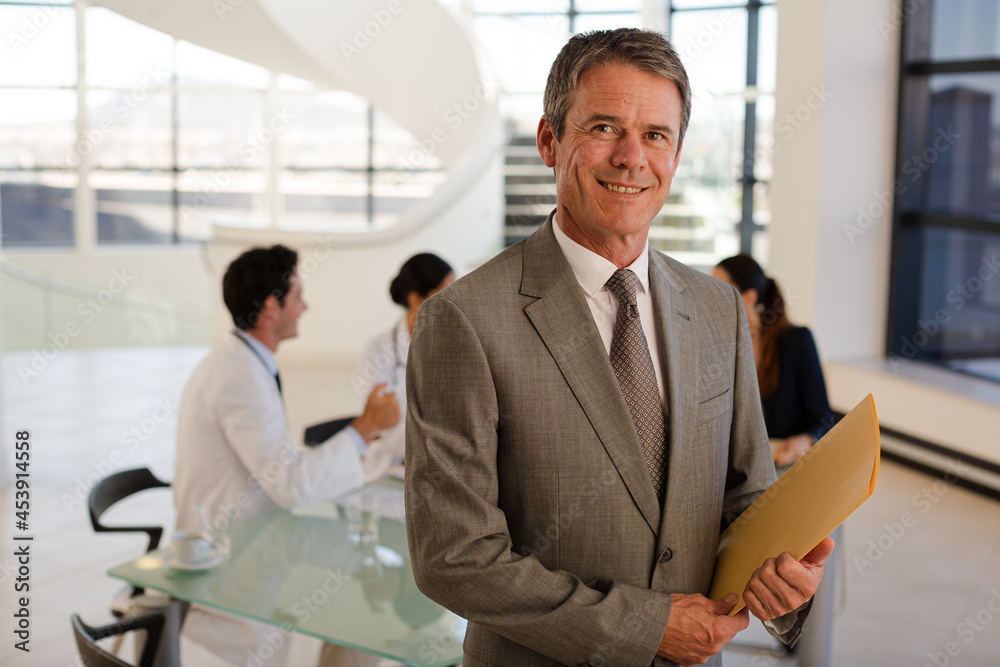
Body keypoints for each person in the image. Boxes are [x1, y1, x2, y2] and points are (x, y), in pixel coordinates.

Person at [404, 28, 832, 667]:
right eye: (604, 127)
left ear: (677, 153)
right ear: (550, 142)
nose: (633, 158)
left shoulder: (717, 310)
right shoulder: (463, 321)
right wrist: (647, 628)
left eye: (656, 135)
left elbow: (745, 496)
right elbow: (453, 557)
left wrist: (781, 580)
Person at [174, 244, 399, 667]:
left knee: (359, 594)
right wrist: (367, 425)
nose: (306, 306)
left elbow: (278, 468)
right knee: (367, 584)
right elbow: (289, 483)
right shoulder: (238, 374)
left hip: (258, 537)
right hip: (237, 560)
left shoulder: (240, 363)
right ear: (272, 308)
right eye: (298, 296)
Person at [712, 254, 835, 467]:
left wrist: (805, 440)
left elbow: (823, 420)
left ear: (748, 298)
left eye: (716, 290)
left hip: (783, 462)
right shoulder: (716, 344)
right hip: (734, 466)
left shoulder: (796, 341)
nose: (708, 298)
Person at [354, 253, 455, 461]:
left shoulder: (459, 346)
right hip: (391, 468)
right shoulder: (377, 351)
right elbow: (382, 427)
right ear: (416, 300)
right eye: (446, 294)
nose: (455, 303)